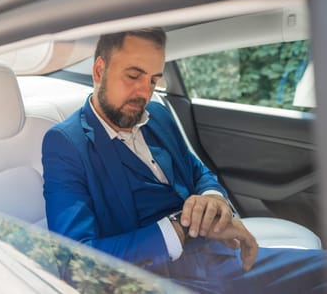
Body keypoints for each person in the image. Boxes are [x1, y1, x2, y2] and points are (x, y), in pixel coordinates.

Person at [42, 28, 326, 293]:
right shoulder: (66, 143)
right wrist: (183, 227)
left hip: (217, 256)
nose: (145, 91)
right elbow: (75, 261)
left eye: (153, 79)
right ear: (99, 70)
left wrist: (213, 200)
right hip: (152, 276)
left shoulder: (159, 116)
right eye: (133, 75)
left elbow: (198, 173)